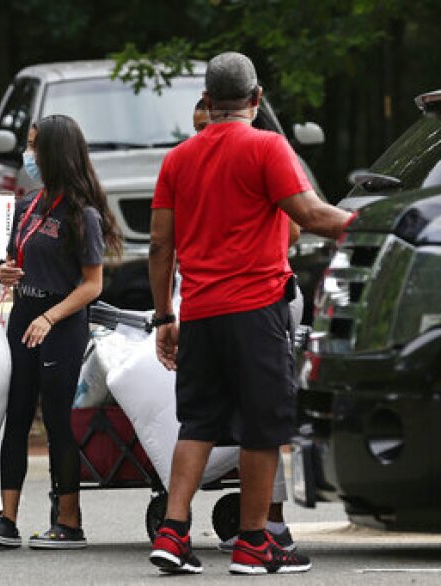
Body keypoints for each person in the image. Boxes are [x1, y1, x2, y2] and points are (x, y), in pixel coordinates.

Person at [148, 52, 355, 575]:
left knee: (198, 422)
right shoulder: (267, 146)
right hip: (255, 309)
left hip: (198, 311)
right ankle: (255, 540)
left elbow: (158, 245)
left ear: (208, 102)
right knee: (263, 427)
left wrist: (163, 315)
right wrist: (372, 225)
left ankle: (172, 535)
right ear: (257, 98)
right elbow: (308, 215)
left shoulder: (178, 159)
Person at [0, 114, 121, 550]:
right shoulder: (26, 206)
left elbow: (92, 285)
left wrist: (51, 317)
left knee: (57, 419)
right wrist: (1, 271)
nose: (28, 153)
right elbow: (8, 262)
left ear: (56, 152)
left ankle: (69, 520)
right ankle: (6, 518)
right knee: (16, 415)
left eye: (35, 145)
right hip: (23, 316)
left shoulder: (84, 214)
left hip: (60, 323)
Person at [191, 98, 299, 554]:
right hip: (225, 303)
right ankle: (254, 524)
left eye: (206, 123)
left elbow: (294, 230)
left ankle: (271, 524)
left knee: (262, 415)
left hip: (266, 298)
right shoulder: (195, 163)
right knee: (235, 415)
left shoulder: (268, 155)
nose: (202, 133)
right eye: (195, 126)